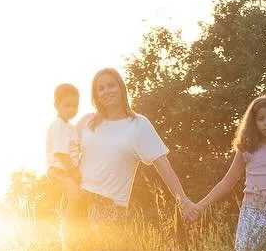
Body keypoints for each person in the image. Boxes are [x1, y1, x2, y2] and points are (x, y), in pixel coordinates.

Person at [190, 94, 266, 251]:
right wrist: (199, 206)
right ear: (253, 123)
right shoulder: (247, 150)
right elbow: (227, 182)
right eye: (261, 119)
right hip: (252, 212)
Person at [76, 67, 195, 224]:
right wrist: (62, 181)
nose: (106, 91)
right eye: (101, 88)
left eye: (111, 85)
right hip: (77, 199)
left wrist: (183, 202)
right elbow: (64, 151)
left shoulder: (139, 124)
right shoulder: (87, 122)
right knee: (70, 249)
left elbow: (163, 165)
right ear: (96, 95)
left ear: (121, 88)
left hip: (111, 206)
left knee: (104, 249)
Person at [44, 82, 82, 215]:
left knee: (70, 197)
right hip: (59, 169)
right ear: (57, 106)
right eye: (67, 105)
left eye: (75, 106)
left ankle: (65, 221)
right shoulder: (58, 126)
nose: (72, 109)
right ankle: (69, 228)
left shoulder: (71, 128)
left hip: (67, 169)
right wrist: (73, 171)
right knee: (74, 196)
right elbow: (60, 153)